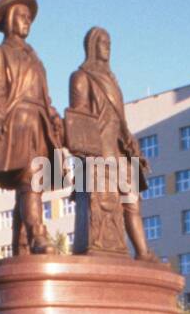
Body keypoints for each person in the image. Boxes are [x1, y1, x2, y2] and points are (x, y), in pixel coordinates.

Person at [0, 0, 66, 255]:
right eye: (21, 16)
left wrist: (55, 120)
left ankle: (21, 247)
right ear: (8, 20)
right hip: (17, 124)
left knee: (28, 183)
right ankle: (37, 235)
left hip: (39, 124)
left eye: (29, 17)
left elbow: (46, 97)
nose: (27, 21)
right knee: (31, 180)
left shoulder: (36, 59)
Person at [65, 26, 159, 259]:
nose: (107, 47)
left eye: (109, 43)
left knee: (133, 202)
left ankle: (143, 252)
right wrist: (87, 158)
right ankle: (108, 248)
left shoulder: (112, 80)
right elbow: (79, 120)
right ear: (92, 46)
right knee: (104, 205)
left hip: (119, 152)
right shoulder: (81, 77)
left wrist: (133, 148)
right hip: (99, 153)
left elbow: (120, 120)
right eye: (103, 42)